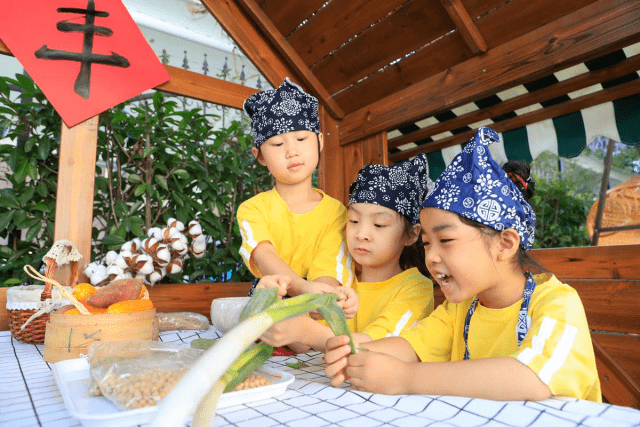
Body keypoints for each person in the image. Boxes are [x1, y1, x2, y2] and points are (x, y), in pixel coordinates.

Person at [325, 127, 602, 402]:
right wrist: (359, 349)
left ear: (505, 244)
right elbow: (410, 346)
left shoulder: (557, 303)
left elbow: (532, 377)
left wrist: (405, 378)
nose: (430, 257)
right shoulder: (459, 310)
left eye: (445, 239)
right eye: (427, 243)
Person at [259, 155, 434, 353]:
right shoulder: (340, 281)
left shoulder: (417, 288)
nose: (361, 234)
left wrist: (306, 332)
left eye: (379, 224)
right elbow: (300, 343)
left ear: (411, 234)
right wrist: (274, 301)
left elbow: (374, 345)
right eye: (354, 220)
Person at [238, 77, 357, 317]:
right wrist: (303, 290)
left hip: (317, 308)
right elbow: (264, 256)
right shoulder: (253, 209)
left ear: (320, 141)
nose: (292, 151)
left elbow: (330, 264)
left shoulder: (338, 213)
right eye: (277, 143)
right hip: (270, 307)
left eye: (301, 139)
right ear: (259, 156)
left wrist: (321, 297)